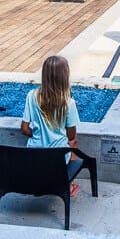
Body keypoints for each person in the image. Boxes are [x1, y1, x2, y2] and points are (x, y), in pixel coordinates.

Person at [20, 55, 80, 196]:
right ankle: (68, 185)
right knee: (74, 142)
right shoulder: (68, 103)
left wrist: (39, 133)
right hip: (58, 159)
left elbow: (24, 129)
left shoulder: (31, 95)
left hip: (34, 155)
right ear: (65, 76)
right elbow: (70, 136)